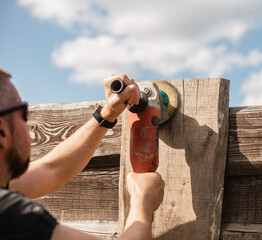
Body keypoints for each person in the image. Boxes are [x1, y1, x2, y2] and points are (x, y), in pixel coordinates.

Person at [0, 67, 165, 240]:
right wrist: (143, 198)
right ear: (2, 131)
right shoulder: (8, 213)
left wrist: (108, 113)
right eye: (23, 112)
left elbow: (52, 170)